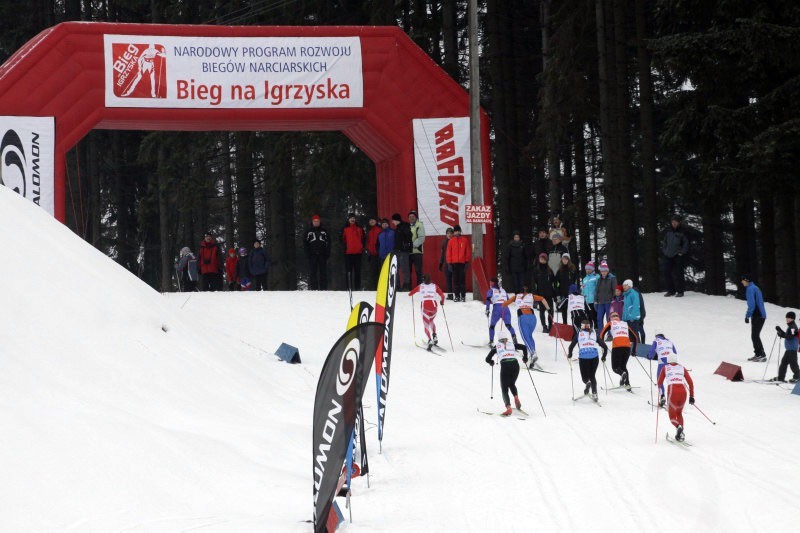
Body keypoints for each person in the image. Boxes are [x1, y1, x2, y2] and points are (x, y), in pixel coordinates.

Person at [484, 324, 529, 416]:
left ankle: (508, 408)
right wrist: (525, 358)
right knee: (511, 383)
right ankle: (516, 397)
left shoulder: (497, 347)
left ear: (499, 339)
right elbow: (524, 347)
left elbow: (487, 359)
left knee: (504, 387)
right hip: (515, 365)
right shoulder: (512, 344)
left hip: (505, 365)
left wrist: (491, 362)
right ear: (506, 338)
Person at [504, 284, 551, 368]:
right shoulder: (531, 296)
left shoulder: (516, 296)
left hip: (523, 317)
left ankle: (533, 353)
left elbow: (505, 303)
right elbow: (542, 299)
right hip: (533, 318)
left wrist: (500, 305)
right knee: (529, 336)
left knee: (525, 337)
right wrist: (548, 309)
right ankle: (533, 352)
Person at [657, 353, 695, 442]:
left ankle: (678, 427)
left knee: (672, 416)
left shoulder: (665, 368)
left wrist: (662, 395)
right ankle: (680, 434)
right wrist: (692, 396)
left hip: (672, 391)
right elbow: (691, 383)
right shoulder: (682, 367)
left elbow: (659, 382)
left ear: (668, 360)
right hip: (683, 391)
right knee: (679, 413)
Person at [567, 319, 606, 401]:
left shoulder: (579, 334)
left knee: (585, 378)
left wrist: (570, 354)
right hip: (595, 357)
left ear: (582, 326)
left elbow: (571, 346)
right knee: (592, 376)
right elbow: (604, 346)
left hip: (584, 357)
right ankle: (595, 394)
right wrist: (604, 356)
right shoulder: (595, 334)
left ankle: (587, 383)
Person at [599, 310, 639, 389]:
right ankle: (627, 384)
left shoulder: (610, 323)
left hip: (617, 347)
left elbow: (601, 335)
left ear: (610, 318)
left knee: (615, 368)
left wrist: (603, 346)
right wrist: (634, 350)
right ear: (618, 318)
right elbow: (635, 337)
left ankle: (622, 374)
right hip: (627, 347)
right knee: (623, 366)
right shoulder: (624, 324)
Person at [408, 274, 445, 348]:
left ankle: (430, 339)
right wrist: (442, 302)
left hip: (425, 307)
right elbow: (443, 296)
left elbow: (410, 294)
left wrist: (412, 293)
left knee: (426, 324)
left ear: (423, 280)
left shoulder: (420, 286)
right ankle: (434, 335)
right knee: (431, 321)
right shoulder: (435, 286)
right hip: (434, 307)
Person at [662, 215, 689, 297]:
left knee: (679, 273)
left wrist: (682, 252)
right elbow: (664, 242)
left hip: (677, 255)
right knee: (667, 272)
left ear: (679, 222)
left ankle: (680, 291)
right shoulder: (668, 230)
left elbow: (686, 243)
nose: (673, 223)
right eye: (672, 222)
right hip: (668, 255)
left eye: (675, 222)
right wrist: (665, 251)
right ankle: (671, 291)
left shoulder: (683, 231)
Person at [742, 274, 767, 362]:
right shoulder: (755, 287)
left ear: (747, 281)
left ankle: (761, 355)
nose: (742, 282)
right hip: (759, 314)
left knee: (755, 335)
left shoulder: (750, 289)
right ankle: (758, 354)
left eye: (743, 280)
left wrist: (747, 315)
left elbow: (752, 304)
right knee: (755, 335)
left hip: (758, 315)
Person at [485, 278, 517, 345]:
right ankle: (514, 339)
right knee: (508, 325)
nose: (489, 284)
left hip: (497, 309)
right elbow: (507, 299)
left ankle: (491, 341)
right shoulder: (503, 290)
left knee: (492, 326)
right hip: (506, 308)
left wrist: (487, 309)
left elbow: (488, 299)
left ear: (493, 283)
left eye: (490, 282)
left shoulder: (491, 290)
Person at [647, 333, 678, 402]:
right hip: (672, 362)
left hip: (662, 363)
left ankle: (662, 396)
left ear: (657, 336)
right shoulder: (670, 341)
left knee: (660, 380)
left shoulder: (656, 341)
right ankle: (675, 397)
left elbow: (652, 352)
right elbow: (675, 352)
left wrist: (649, 356)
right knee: (673, 379)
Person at [770, 312, 799, 383]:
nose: (787, 319)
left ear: (792, 318)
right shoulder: (791, 326)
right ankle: (781, 377)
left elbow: (790, 336)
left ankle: (798, 377)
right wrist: (780, 332)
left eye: (788, 318)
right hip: (789, 349)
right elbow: (788, 335)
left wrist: (781, 333)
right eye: (786, 318)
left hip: (792, 349)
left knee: (793, 364)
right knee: (783, 364)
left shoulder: (793, 327)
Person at [304, 214, 330, 290]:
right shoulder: (308, 232)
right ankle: (314, 289)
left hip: (322, 255)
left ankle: (324, 289)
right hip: (312, 255)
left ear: (319, 222)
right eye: (315, 221)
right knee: (313, 273)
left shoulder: (324, 231)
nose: (316, 223)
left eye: (317, 221)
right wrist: (307, 254)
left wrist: (327, 254)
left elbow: (329, 243)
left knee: (323, 272)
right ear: (312, 222)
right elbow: (305, 244)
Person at [532, 252, 555, 333]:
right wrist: (535, 295)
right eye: (541, 258)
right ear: (539, 259)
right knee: (542, 311)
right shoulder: (536, 270)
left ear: (546, 260)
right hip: (540, 294)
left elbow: (554, 283)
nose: (542, 260)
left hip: (549, 294)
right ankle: (544, 326)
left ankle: (550, 326)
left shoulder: (550, 270)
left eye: (544, 259)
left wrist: (555, 294)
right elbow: (533, 283)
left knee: (550, 311)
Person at [446, 225, 470, 302]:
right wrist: (449, 263)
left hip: (462, 263)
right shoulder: (451, 241)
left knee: (462, 280)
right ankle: (457, 296)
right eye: (456, 231)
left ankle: (463, 296)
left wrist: (467, 262)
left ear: (460, 231)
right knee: (455, 280)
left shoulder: (465, 240)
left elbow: (468, 252)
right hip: (454, 264)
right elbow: (448, 253)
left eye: (458, 231)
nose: (457, 232)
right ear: (454, 232)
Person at [342, 213, 365, 291]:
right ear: (348, 219)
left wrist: (361, 247)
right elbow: (341, 240)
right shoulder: (345, 228)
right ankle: (348, 288)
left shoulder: (360, 228)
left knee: (357, 271)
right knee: (348, 271)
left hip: (358, 253)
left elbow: (363, 239)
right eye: (351, 218)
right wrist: (345, 248)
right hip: (348, 253)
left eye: (353, 218)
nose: (352, 219)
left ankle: (357, 288)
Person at [554, 253, 579, 323]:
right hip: (563, 293)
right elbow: (556, 283)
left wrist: (576, 291)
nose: (565, 261)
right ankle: (565, 324)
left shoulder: (573, 269)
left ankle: (574, 324)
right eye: (563, 259)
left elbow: (576, 281)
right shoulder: (559, 270)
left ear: (568, 260)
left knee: (573, 311)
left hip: (572, 293)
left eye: (566, 259)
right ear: (561, 260)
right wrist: (558, 294)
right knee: (564, 310)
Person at [391, 213, 413, 290]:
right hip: (397, 251)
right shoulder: (398, 228)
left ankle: (406, 285)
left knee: (405, 269)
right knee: (396, 268)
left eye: (393, 220)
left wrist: (405, 246)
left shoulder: (405, 227)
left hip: (403, 251)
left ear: (397, 220)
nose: (392, 222)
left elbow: (408, 238)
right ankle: (397, 286)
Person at [593, 261, 616, 332]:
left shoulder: (612, 278)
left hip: (609, 301)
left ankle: (609, 333)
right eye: (602, 271)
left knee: (608, 318)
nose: (603, 272)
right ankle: (600, 333)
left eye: (605, 271)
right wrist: (595, 300)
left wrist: (613, 299)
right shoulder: (599, 279)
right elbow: (597, 291)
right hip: (600, 302)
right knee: (599, 318)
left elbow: (614, 290)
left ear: (607, 271)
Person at [622, 279, 645, 344]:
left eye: (625, 285)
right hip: (627, 318)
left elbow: (636, 306)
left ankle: (638, 347)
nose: (624, 287)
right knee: (630, 334)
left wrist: (633, 317)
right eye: (623, 285)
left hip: (633, 318)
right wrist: (624, 318)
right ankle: (632, 348)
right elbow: (625, 307)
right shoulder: (626, 294)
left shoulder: (634, 293)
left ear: (629, 286)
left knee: (635, 333)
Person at [408, 210, 426, 287]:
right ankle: (408, 287)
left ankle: (420, 287)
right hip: (408, 252)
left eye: (413, 216)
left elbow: (421, 238)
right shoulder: (407, 226)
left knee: (418, 271)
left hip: (417, 252)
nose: (411, 218)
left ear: (416, 217)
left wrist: (412, 245)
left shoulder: (419, 225)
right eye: (410, 217)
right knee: (408, 271)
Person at [365, 216, 382, 289]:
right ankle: (375, 287)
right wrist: (368, 251)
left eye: (373, 220)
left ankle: (381, 287)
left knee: (380, 271)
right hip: (371, 254)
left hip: (379, 254)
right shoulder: (369, 231)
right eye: (370, 220)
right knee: (373, 272)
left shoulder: (379, 229)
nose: (371, 221)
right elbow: (367, 242)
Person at [581, 261, 599, 329]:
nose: (587, 270)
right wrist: (583, 295)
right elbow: (583, 289)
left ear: (593, 269)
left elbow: (598, 288)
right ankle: (589, 330)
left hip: (593, 300)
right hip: (586, 301)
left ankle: (597, 330)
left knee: (595, 317)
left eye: (589, 269)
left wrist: (596, 298)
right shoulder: (585, 279)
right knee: (588, 317)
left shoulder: (596, 277)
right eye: (586, 269)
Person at [439, 227, 454, 300]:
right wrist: (441, 263)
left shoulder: (455, 241)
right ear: (446, 234)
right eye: (448, 233)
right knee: (448, 280)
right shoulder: (444, 242)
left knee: (455, 279)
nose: (449, 235)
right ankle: (450, 295)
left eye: (451, 233)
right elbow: (442, 254)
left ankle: (457, 295)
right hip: (446, 264)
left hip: (454, 264)